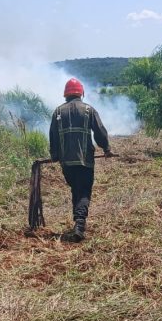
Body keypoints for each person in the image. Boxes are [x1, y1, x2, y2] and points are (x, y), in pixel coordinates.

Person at [49, 78, 112, 241]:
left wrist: (55, 155)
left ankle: (77, 220)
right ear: (81, 93)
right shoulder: (88, 110)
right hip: (85, 161)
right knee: (83, 191)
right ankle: (80, 223)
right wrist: (106, 148)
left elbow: (53, 136)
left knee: (75, 188)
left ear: (66, 94)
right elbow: (100, 132)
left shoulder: (57, 112)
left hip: (67, 163)